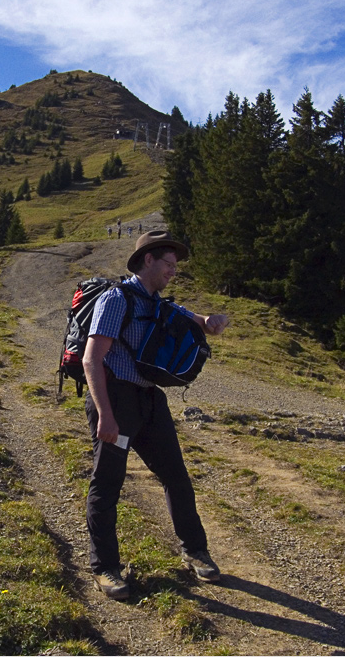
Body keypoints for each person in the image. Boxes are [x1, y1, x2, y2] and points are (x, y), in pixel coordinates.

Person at [82, 230, 229, 600]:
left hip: (149, 400)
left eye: (175, 266)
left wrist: (210, 321)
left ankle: (195, 550)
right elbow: (91, 359)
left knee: (176, 476)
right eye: (168, 264)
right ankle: (105, 568)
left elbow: (194, 318)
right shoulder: (116, 299)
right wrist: (105, 415)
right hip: (115, 399)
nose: (173, 271)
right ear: (148, 260)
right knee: (108, 483)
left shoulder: (158, 302)